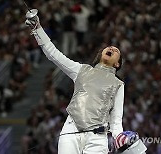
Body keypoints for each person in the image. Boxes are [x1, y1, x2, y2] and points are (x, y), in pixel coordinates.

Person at [25, 9, 124, 154]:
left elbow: (116, 120)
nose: (111, 48)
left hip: (97, 139)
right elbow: (54, 54)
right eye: (108, 47)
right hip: (71, 131)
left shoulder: (118, 84)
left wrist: (120, 139)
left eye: (115, 50)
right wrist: (37, 29)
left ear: (117, 64)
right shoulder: (82, 70)